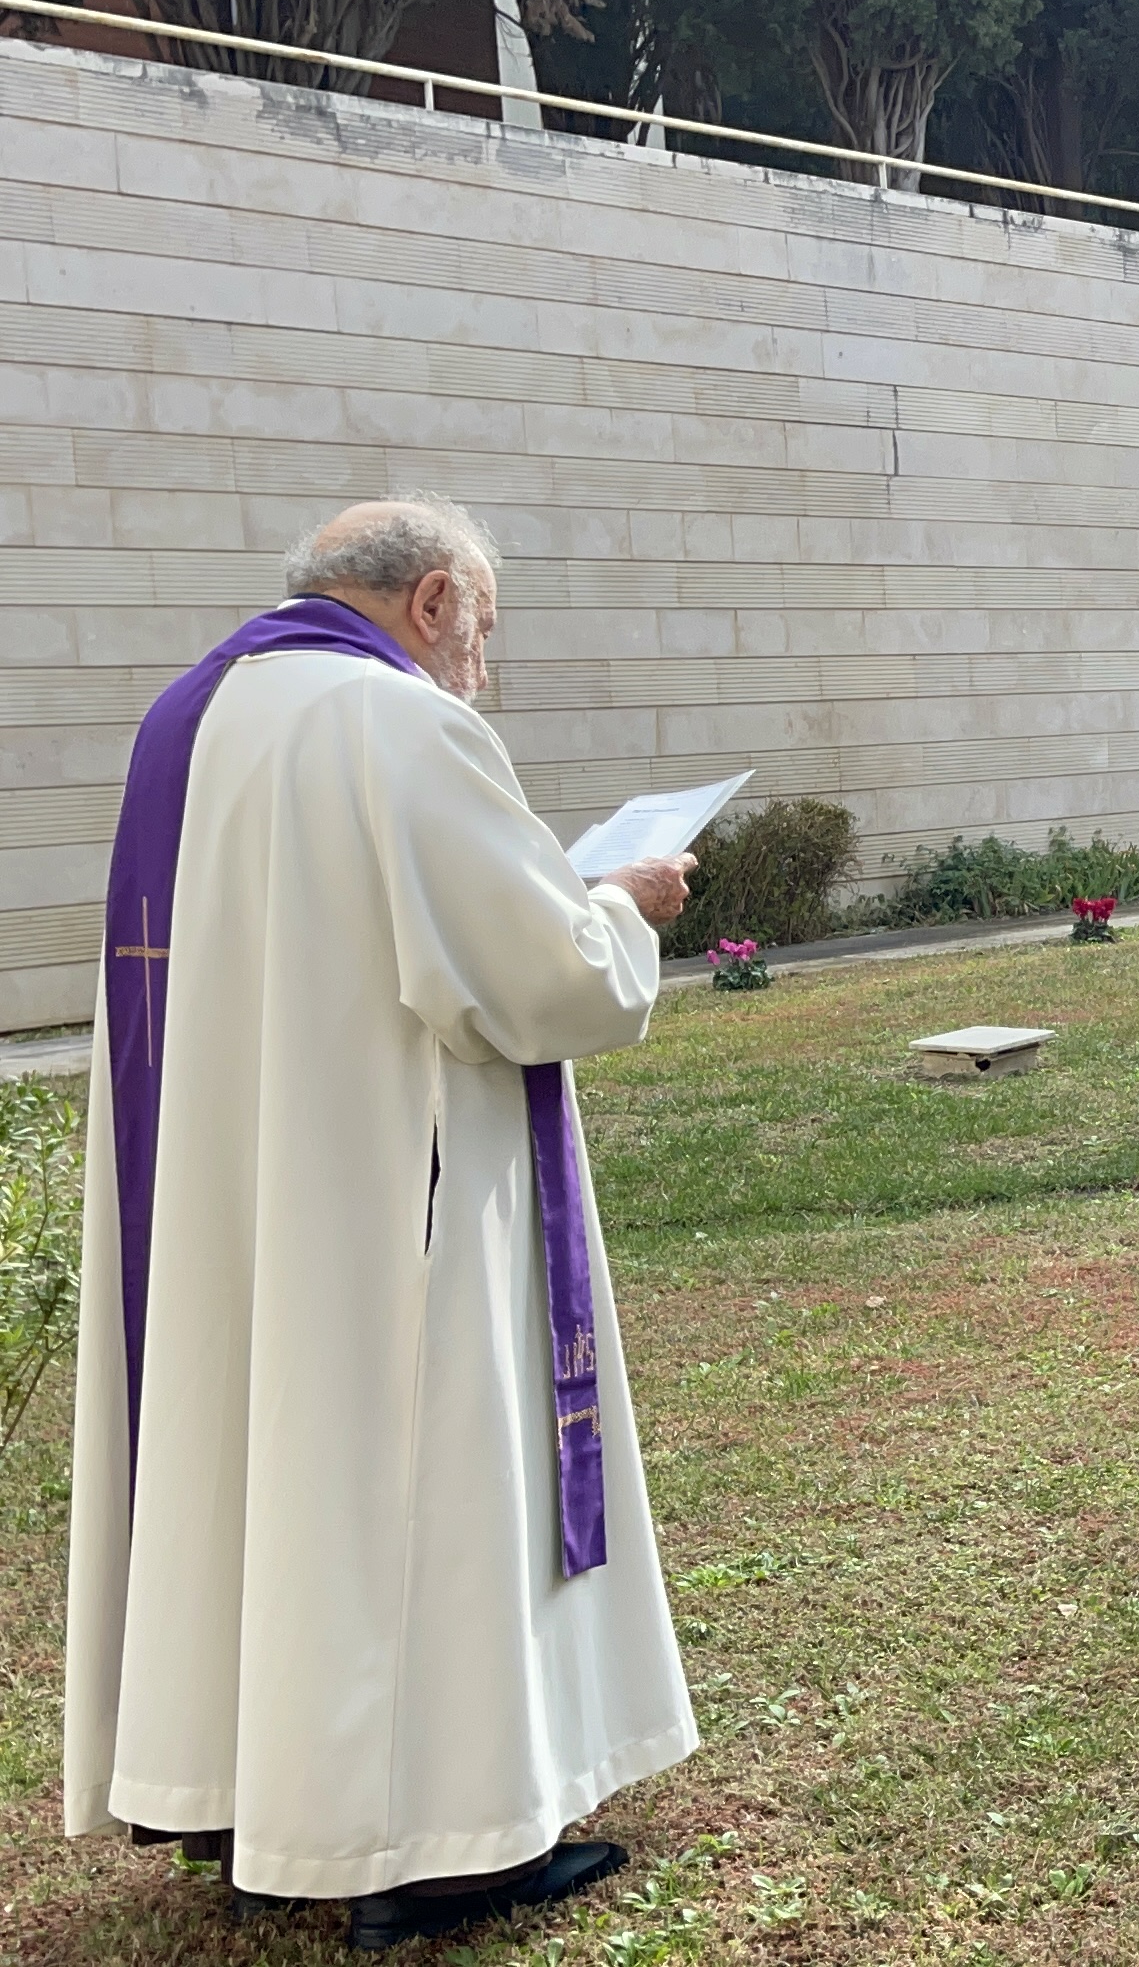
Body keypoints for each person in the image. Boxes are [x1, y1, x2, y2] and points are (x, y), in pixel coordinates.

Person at [67, 497, 699, 1948]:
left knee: (248, 1477)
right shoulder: (395, 724)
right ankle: (441, 1843)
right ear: (429, 603)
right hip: (390, 1199)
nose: (481, 666)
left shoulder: (188, 718)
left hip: (226, 1189)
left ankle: (241, 1789)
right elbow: (540, 983)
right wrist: (620, 897)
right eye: (482, 630)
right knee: (420, 1490)